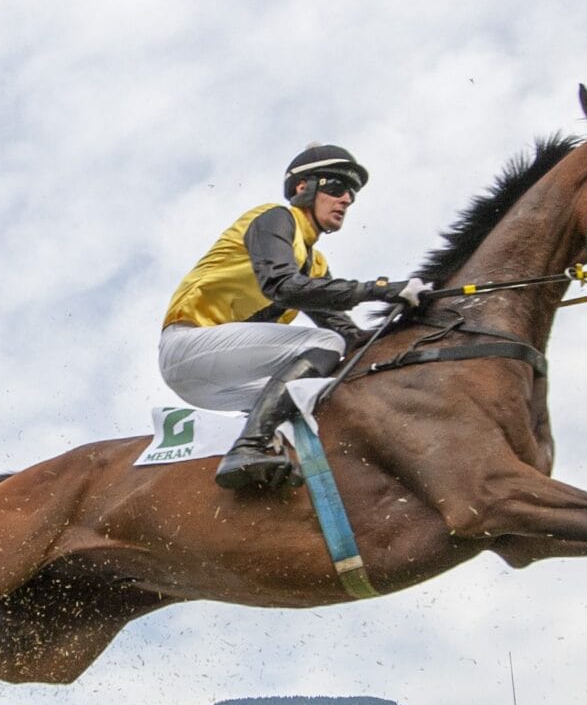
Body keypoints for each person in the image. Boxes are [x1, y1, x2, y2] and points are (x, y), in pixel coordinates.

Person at [160, 144, 428, 491]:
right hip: (188, 347)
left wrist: (409, 321)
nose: (346, 199)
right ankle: (247, 448)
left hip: (214, 382)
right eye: (337, 187)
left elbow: (351, 337)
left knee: (324, 392)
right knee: (325, 343)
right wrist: (380, 289)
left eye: (351, 194)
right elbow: (282, 286)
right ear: (304, 188)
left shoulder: (315, 264)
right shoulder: (275, 218)